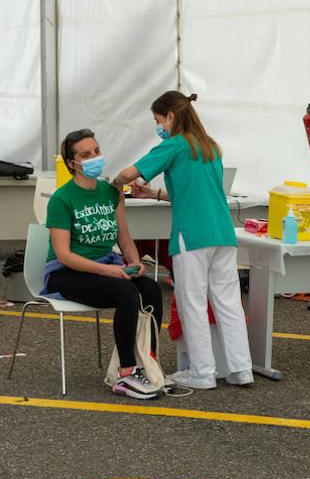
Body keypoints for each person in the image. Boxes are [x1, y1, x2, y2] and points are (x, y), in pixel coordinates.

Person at [112, 91, 253, 390]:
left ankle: (202, 372)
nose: (158, 126)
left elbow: (129, 173)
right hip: (223, 234)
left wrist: (112, 183)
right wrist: (154, 194)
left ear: (171, 117)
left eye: (157, 120)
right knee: (228, 303)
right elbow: (194, 192)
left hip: (192, 235)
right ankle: (241, 369)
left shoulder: (173, 145)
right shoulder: (211, 147)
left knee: (193, 303)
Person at [44, 129, 163, 399]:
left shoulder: (111, 193)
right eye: (86, 155)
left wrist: (135, 263)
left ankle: (149, 363)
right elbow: (63, 255)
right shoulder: (62, 199)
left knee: (151, 289)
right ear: (72, 163)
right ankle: (126, 374)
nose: (95, 157)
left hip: (106, 267)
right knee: (126, 293)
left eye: (96, 151)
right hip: (66, 273)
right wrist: (110, 270)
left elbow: (124, 237)